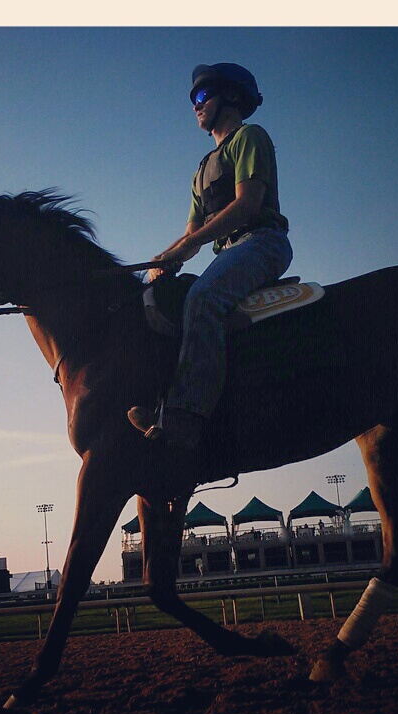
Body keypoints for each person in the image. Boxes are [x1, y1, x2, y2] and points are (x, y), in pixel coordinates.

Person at [128, 62, 293, 461]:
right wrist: (161, 260)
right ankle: (160, 402)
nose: (196, 105)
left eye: (202, 96)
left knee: (203, 298)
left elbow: (247, 205)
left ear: (231, 96)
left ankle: (186, 419)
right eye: (192, 100)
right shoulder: (201, 171)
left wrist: (185, 247)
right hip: (229, 252)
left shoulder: (250, 137)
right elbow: (193, 234)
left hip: (262, 242)